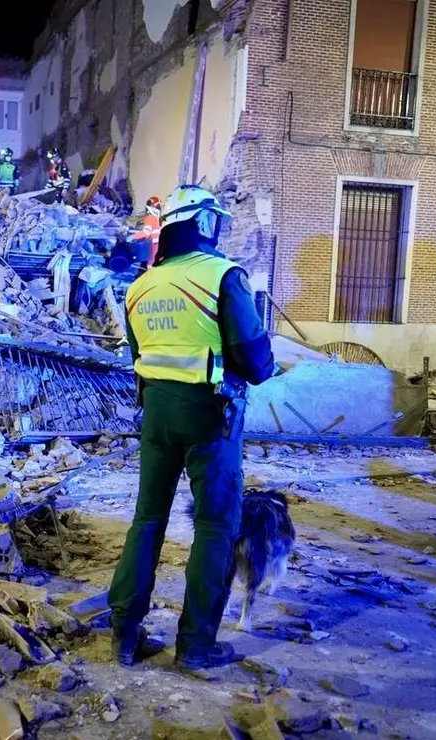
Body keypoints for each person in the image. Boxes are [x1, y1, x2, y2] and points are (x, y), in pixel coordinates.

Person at [110, 184, 275, 671]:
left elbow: (139, 351)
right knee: (215, 525)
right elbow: (256, 359)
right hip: (209, 414)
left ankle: (124, 634)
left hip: (156, 413)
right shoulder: (222, 276)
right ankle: (196, 645)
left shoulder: (141, 285)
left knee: (147, 519)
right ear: (204, 223)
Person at [130, 195, 163, 267]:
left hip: (154, 247)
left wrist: (132, 237)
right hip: (159, 245)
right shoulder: (158, 219)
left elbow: (146, 232)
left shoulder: (150, 217)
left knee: (150, 267)